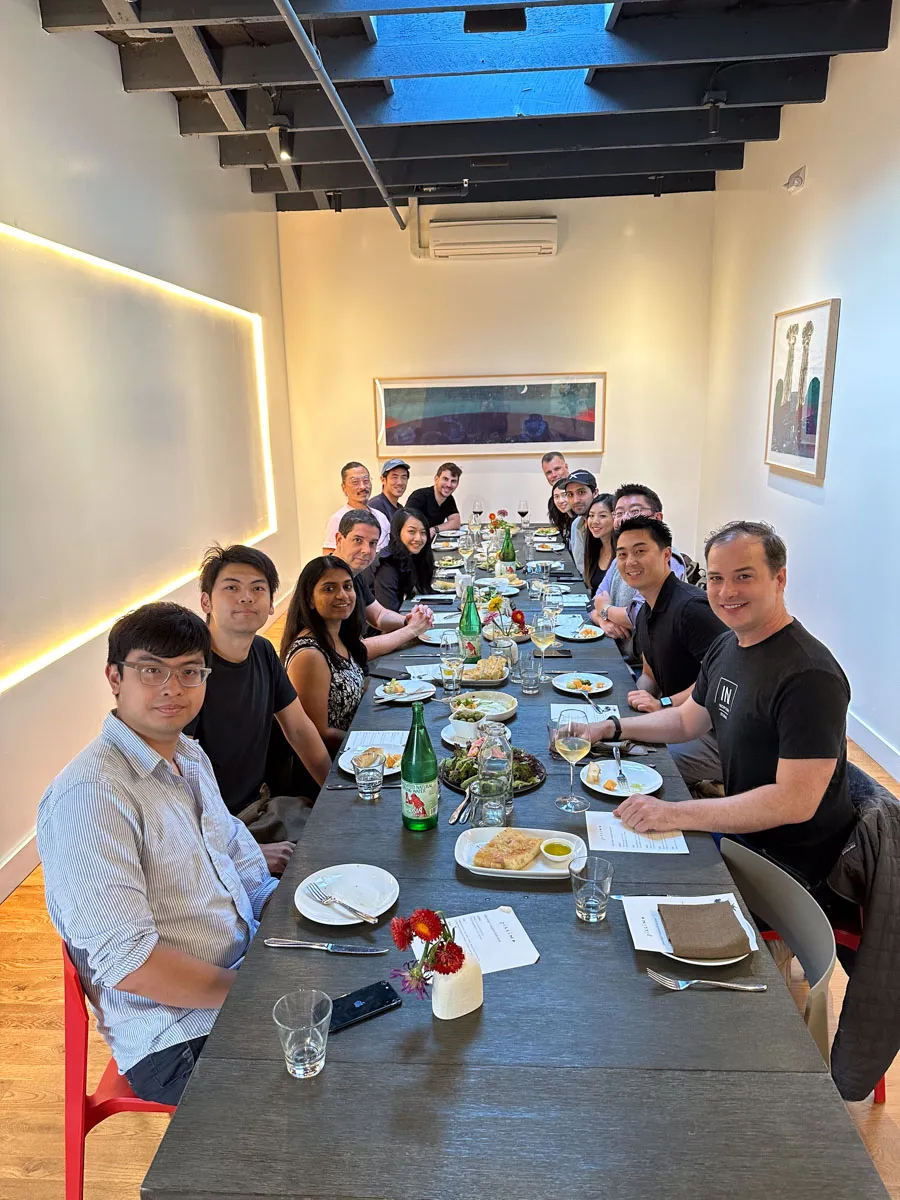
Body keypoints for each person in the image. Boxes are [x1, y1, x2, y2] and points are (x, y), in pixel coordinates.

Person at [38, 602, 277, 1105]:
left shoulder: (188, 755)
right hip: (176, 1034)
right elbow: (132, 963)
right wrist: (253, 991)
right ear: (114, 677)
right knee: (340, 1079)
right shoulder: (91, 795)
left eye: (190, 671)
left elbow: (239, 855)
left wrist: (288, 919)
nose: (173, 688)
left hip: (240, 970)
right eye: (152, 670)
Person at [585, 521, 855, 893]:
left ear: (780, 579)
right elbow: (685, 721)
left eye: (744, 576)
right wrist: (611, 728)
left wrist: (676, 813)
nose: (727, 592)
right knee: (598, 841)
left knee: (620, 877)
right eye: (715, 578)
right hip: (741, 835)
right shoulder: (729, 646)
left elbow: (795, 802)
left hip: (784, 870)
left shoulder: (809, 675)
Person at [187, 544, 331, 871]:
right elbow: (172, 789)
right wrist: (238, 854)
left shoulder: (263, 652)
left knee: (349, 837)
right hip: (220, 834)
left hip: (266, 808)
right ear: (206, 601)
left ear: (270, 605)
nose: (247, 597)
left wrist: (333, 791)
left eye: (258, 589)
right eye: (231, 587)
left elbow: (299, 728)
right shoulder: (189, 672)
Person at [615, 516, 725, 786]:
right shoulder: (644, 610)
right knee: (611, 743)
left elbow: (719, 679)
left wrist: (664, 703)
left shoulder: (691, 609)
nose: (630, 562)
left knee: (634, 765)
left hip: (714, 737)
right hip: (676, 719)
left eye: (640, 551)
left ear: (666, 555)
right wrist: (629, 702)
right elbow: (650, 674)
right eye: (623, 554)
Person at [280, 557, 367, 753]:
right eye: (329, 588)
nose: (342, 595)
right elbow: (319, 734)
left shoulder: (339, 636)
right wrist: (370, 742)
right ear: (309, 599)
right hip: (335, 764)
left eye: (347, 586)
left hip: (353, 746)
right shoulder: (310, 655)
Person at [591, 483, 687, 653]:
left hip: (642, 665)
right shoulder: (621, 556)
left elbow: (642, 616)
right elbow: (593, 602)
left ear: (658, 518)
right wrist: (603, 621)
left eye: (635, 511)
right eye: (619, 513)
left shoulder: (667, 560)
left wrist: (605, 609)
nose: (626, 518)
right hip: (616, 651)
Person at [333, 511, 433, 658]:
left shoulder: (353, 572)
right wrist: (411, 630)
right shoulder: (329, 582)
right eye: (358, 540)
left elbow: (379, 615)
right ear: (339, 539)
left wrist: (409, 619)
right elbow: (354, 650)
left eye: (372, 543)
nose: (366, 550)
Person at [372, 507, 435, 612]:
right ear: (397, 532)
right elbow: (388, 612)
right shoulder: (387, 564)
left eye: (423, 532)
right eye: (411, 531)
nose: (418, 538)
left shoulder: (414, 555)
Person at [322, 462, 390, 554]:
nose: (362, 487)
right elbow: (329, 556)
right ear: (344, 487)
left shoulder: (381, 517)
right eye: (355, 482)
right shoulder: (337, 519)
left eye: (366, 481)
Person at [406, 462, 462, 540]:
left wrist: (434, 530)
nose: (449, 485)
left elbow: (455, 523)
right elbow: (408, 526)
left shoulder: (448, 498)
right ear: (436, 479)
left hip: (432, 544)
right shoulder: (419, 496)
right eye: (445, 479)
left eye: (453, 481)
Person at [564, 469, 599, 575]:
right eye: (570, 494)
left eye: (581, 492)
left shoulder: (605, 525)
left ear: (595, 493)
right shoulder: (576, 524)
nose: (575, 500)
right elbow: (581, 568)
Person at [582, 492, 615, 593]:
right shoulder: (594, 549)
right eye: (591, 515)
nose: (595, 521)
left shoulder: (621, 555)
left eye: (602, 516)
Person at [369, 458, 410, 524]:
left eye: (404, 477)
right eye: (394, 477)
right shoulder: (375, 506)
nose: (400, 482)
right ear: (383, 480)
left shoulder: (400, 508)